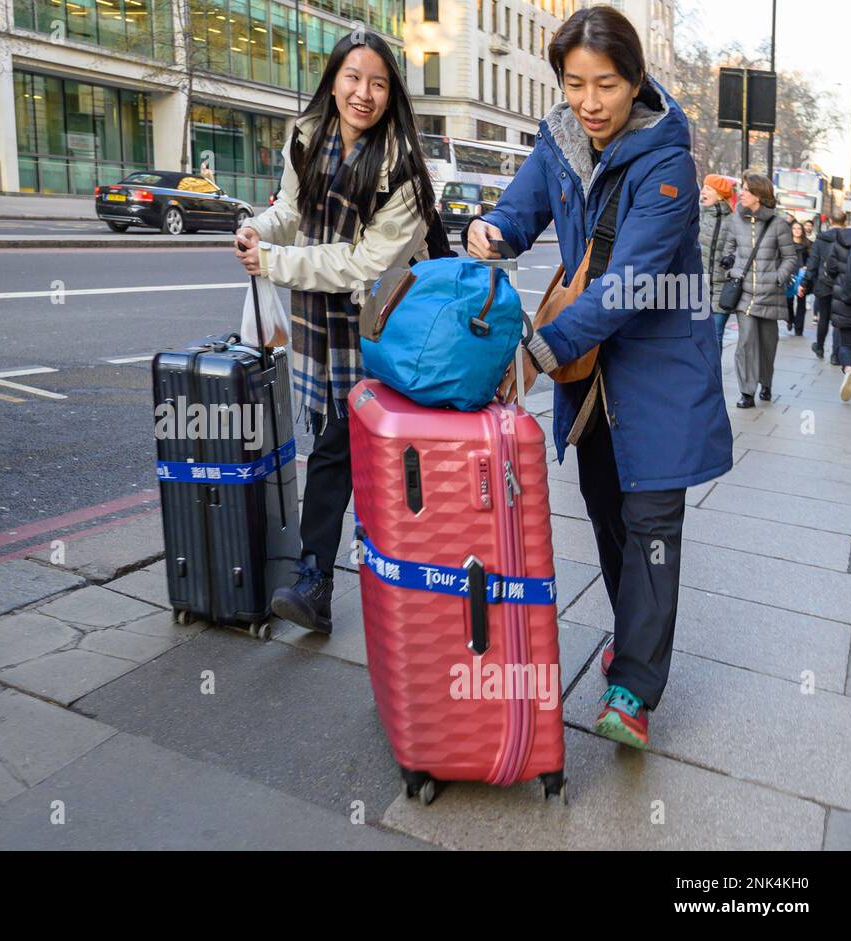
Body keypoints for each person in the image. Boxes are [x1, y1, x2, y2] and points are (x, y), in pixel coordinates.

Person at [464, 5, 732, 749]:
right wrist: (486, 230)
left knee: (652, 524)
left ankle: (635, 688)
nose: (590, 102)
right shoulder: (557, 142)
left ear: (636, 79)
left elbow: (629, 283)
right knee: (609, 514)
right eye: (576, 84)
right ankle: (631, 639)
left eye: (606, 84)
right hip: (593, 383)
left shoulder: (668, 161)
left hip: (658, 373)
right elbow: (517, 213)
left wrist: (538, 352)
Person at [234, 30, 452, 635]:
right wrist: (259, 228)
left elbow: (363, 265)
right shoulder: (308, 137)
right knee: (337, 443)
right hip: (322, 333)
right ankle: (321, 581)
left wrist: (275, 263)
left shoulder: (402, 169)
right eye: (353, 78)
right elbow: (294, 212)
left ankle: (371, 580)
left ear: (392, 94)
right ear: (333, 80)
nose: (364, 93)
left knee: (374, 455)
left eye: (379, 83)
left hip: (383, 326)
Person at [718, 173, 795, 407]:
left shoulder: (778, 224)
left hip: (770, 295)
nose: (741, 193)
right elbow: (727, 251)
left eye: (746, 189)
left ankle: (766, 382)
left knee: (767, 345)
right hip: (744, 296)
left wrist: (777, 278)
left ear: (759, 195)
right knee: (745, 343)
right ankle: (747, 392)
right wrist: (730, 268)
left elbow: (790, 258)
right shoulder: (735, 220)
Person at [802, 208, 851, 365]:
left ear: (830, 221)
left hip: (823, 284)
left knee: (823, 317)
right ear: (845, 222)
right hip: (842, 286)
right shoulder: (849, 240)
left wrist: (805, 283)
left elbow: (812, 263)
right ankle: (836, 355)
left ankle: (819, 347)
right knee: (839, 321)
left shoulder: (821, 240)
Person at [699, 174, 737, 349]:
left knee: (716, 335)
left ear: (720, 195)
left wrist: (731, 259)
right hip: (697, 287)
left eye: (708, 188)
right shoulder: (697, 215)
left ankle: (714, 374)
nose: (703, 191)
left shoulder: (734, 221)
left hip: (723, 289)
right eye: (704, 187)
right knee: (697, 336)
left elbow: (740, 250)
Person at [822, 223, 851, 400]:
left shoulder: (843, 239)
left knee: (847, 344)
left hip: (846, 302)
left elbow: (830, 269)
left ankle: (849, 369)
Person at [788, 220, 812, 336]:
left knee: (801, 301)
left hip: (803, 276)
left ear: (802, 230)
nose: (797, 230)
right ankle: (790, 319)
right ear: (791, 230)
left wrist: (807, 267)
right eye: (794, 228)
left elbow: (812, 260)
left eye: (799, 228)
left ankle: (799, 328)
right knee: (789, 300)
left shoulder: (808, 244)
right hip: (790, 274)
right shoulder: (787, 244)